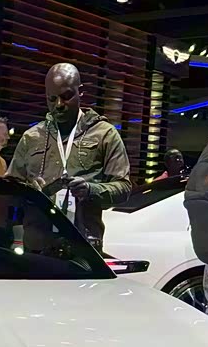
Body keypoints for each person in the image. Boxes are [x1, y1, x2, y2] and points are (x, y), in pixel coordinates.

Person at [7, 62, 131, 246]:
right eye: (52, 98)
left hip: (84, 245)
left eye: (66, 97)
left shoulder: (104, 134)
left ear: (81, 92)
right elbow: (9, 190)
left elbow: (124, 188)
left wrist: (91, 190)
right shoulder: (31, 137)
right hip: (38, 244)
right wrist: (29, 190)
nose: (59, 105)